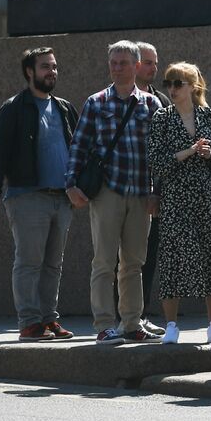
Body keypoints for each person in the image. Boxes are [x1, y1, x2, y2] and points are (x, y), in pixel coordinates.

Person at [65, 40, 163, 345]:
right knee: (104, 262)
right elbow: (79, 146)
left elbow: (159, 153)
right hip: (107, 190)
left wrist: (156, 192)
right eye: (113, 62)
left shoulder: (151, 104)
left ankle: (132, 323)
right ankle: (105, 325)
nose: (117, 67)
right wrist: (70, 184)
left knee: (134, 263)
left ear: (136, 66)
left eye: (123, 62)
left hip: (140, 193)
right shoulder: (96, 102)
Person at [0, 47, 77, 342]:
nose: (52, 72)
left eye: (54, 66)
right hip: (27, 196)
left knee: (53, 264)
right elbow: (1, 152)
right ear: (29, 72)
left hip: (61, 198)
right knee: (29, 262)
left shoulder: (63, 107)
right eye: (46, 66)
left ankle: (49, 320)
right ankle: (29, 323)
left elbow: (77, 150)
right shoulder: (14, 107)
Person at [147, 62, 211, 344]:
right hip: (175, 197)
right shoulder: (162, 118)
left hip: (206, 196)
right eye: (168, 84)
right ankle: (171, 325)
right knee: (173, 258)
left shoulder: (208, 116)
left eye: (177, 84)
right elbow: (156, 162)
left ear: (193, 87)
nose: (171, 89)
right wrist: (188, 151)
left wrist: (209, 155)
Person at [135, 41, 166, 333]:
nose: (153, 68)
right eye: (147, 62)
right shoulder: (114, 99)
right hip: (124, 191)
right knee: (122, 260)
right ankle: (122, 317)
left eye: (155, 62)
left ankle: (141, 315)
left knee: (148, 256)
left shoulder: (162, 101)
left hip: (155, 193)